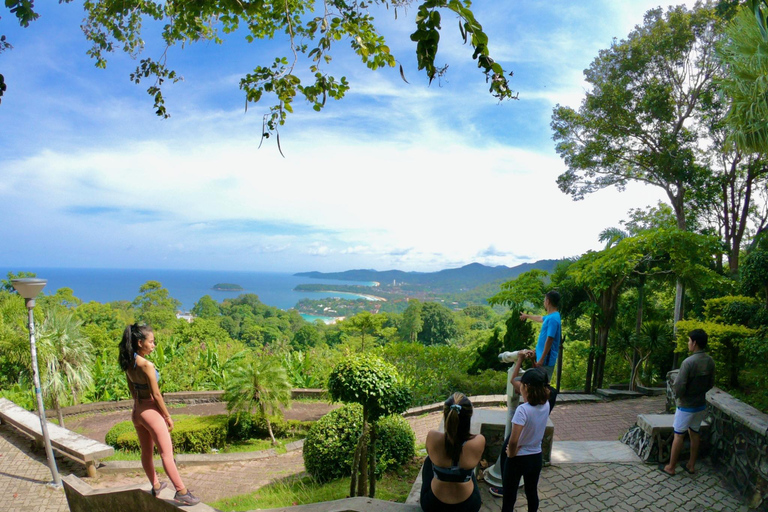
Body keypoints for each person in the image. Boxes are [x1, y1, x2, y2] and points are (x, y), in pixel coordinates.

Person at [118, 324, 200, 506]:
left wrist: (139, 407)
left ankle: (155, 485)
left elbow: (132, 388)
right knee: (166, 454)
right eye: (151, 342)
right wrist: (167, 416)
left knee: (146, 452)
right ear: (140, 343)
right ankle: (182, 492)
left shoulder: (129, 362)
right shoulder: (147, 365)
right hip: (151, 411)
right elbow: (156, 395)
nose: (154, 345)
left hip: (137, 411)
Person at [488, 350, 557, 501]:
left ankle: (503, 487)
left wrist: (519, 359)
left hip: (518, 457)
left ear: (525, 387)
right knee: (532, 493)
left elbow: (513, 441)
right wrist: (534, 362)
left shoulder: (522, 410)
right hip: (535, 456)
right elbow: (542, 382)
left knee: (509, 496)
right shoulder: (547, 401)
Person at [660, 328, 715, 477]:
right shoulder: (709, 361)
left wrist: (680, 397)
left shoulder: (688, 362)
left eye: (689, 340)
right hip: (700, 404)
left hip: (686, 406)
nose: (688, 343)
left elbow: (679, 386)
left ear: (695, 343)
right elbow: (711, 383)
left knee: (678, 434)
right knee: (694, 432)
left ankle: (671, 467)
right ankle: (691, 465)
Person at [421, 393, 486, 512]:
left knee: (429, 460)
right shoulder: (479, 441)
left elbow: (432, 453)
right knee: (468, 472)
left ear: (446, 415)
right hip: (468, 506)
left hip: (433, 505)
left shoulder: (432, 437)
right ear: (469, 417)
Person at [520, 290, 561, 381]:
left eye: (544, 300)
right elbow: (540, 318)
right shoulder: (552, 316)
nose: (544, 302)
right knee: (539, 385)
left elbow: (550, 339)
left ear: (548, 301)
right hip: (543, 358)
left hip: (546, 360)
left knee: (542, 385)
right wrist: (527, 316)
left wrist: (541, 359)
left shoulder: (553, 319)